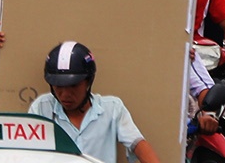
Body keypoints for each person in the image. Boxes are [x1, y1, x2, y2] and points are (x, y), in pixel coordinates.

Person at [28, 41, 162, 163]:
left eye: (73, 86)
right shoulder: (41, 108)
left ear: (88, 82)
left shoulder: (112, 109)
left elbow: (138, 145)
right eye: (58, 86)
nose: (65, 94)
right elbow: (26, 150)